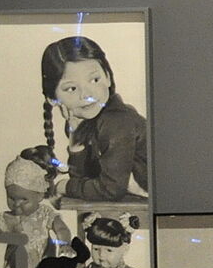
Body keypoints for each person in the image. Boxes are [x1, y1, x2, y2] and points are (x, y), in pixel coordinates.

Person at [38, 35, 148, 203]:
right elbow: (83, 177)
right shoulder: (92, 119)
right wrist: (75, 135)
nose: (87, 94)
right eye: (72, 88)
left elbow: (110, 189)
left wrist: (64, 186)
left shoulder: (117, 121)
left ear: (108, 78)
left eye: (94, 79)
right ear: (53, 99)